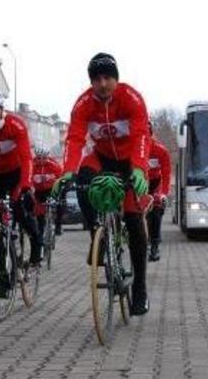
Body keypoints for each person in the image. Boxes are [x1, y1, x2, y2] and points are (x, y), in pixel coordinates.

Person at [54, 52, 152, 316]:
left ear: (116, 79)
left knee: (134, 222)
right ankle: (97, 233)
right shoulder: (83, 103)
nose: (103, 84)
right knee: (82, 180)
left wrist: (141, 169)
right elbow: (74, 139)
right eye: (97, 79)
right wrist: (67, 172)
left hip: (129, 161)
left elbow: (142, 134)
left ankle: (140, 288)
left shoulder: (131, 98)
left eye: (108, 77)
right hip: (102, 158)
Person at [0, 84, 42, 298]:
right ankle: (6, 275)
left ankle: (36, 245)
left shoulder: (15, 125)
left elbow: (26, 158)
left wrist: (25, 186)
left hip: (15, 176)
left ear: (1, 109)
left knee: (21, 210)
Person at [146, 123, 172, 262]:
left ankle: (154, 245)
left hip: (155, 182)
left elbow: (166, 174)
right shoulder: (130, 148)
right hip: (138, 182)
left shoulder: (160, 150)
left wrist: (163, 193)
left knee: (156, 209)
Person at [33, 146, 64, 235]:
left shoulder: (53, 164)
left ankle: (58, 225)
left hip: (51, 189)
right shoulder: (32, 164)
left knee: (60, 202)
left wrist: (51, 177)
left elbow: (60, 175)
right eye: (39, 158)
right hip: (39, 190)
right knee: (38, 210)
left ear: (47, 156)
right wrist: (33, 178)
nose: (42, 160)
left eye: (44, 158)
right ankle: (40, 228)